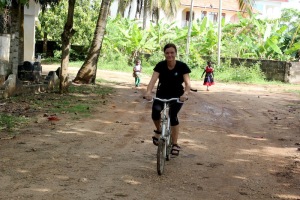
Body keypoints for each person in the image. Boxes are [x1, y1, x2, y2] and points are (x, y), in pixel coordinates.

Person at [144, 43, 191, 156]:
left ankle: (174, 144)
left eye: (172, 53)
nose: (169, 55)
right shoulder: (160, 65)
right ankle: (159, 130)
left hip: (177, 96)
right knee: (155, 112)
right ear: (164, 54)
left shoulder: (182, 66)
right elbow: (153, 81)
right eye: (167, 53)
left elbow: (187, 84)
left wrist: (185, 94)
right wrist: (148, 92)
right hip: (161, 95)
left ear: (175, 53)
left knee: (173, 115)